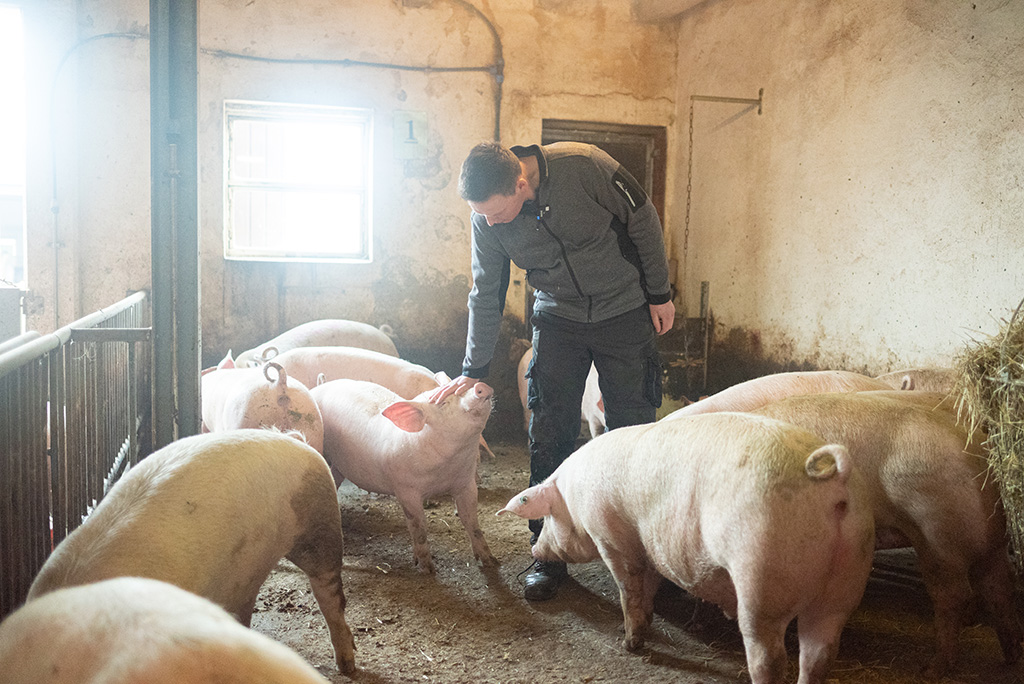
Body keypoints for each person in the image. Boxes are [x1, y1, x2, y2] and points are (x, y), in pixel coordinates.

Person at [429, 140, 675, 601]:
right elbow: (486, 290)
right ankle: (548, 553)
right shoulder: (486, 218)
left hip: (623, 311)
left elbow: (642, 219)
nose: (490, 222)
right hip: (557, 317)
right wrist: (474, 366)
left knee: (634, 433)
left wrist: (660, 293)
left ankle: (646, 560)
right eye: (481, 214)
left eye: (496, 213)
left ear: (521, 184)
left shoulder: (586, 166)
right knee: (548, 432)